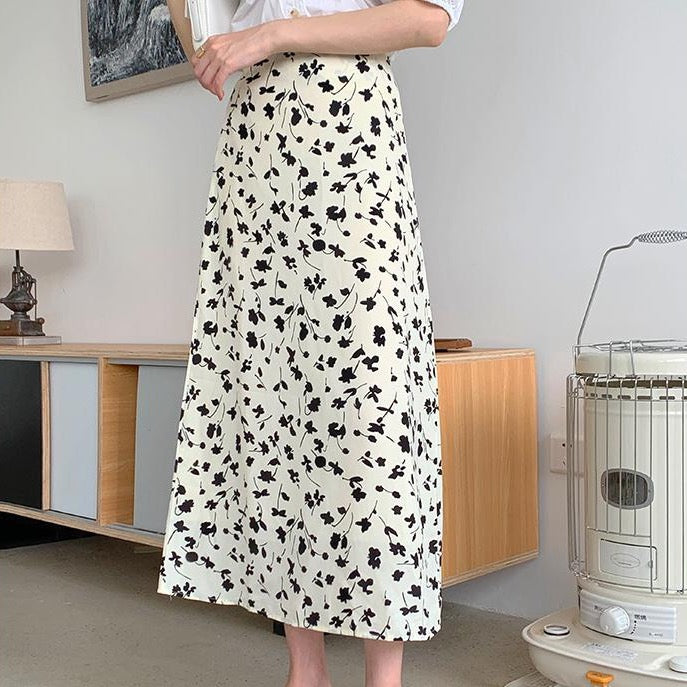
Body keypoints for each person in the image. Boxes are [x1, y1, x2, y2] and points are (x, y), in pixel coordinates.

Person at [158, 1, 464, 686]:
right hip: (255, 143)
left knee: (371, 401)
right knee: (272, 395)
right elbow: (205, 43)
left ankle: (384, 675)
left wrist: (273, 34)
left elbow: (428, 20)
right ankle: (306, 670)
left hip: (348, 127)